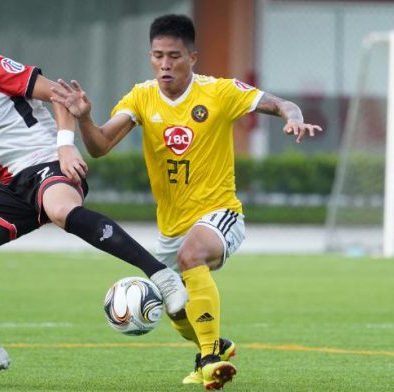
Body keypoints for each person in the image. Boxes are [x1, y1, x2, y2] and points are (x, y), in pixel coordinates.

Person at [0, 5, 187, 387]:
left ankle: (161, 274)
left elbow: (59, 94)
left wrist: (66, 146)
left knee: (60, 210)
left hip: (49, 164)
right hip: (16, 187)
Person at [51, 14, 322, 390]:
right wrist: (84, 119)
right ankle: (215, 348)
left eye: (174, 56)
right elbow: (99, 147)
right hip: (171, 229)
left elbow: (280, 104)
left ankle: (209, 360)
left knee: (192, 255)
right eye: (158, 55)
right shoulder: (141, 96)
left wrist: (295, 118)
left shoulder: (220, 91)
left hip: (220, 214)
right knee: (175, 308)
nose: (165, 64)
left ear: (192, 57)